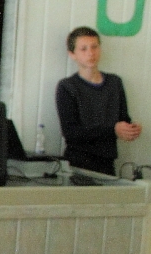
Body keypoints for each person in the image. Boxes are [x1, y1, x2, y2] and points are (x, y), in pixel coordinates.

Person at [55, 27, 141, 176]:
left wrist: (130, 129)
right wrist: (113, 130)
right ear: (72, 54)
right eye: (83, 49)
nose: (90, 53)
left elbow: (123, 119)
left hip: (107, 162)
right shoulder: (67, 86)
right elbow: (70, 132)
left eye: (94, 47)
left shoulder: (114, 82)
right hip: (78, 163)